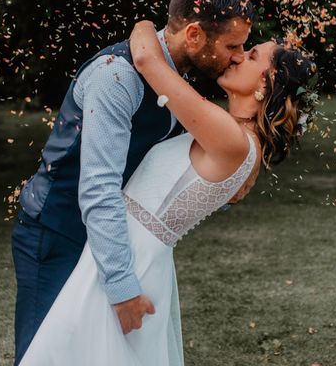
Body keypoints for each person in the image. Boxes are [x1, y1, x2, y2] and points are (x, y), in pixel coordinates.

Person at [18, 20, 318, 365]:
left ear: (268, 85)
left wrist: (147, 22)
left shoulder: (229, 136)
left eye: (250, 56)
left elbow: (146, 59)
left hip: (130, 259)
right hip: (125, 250)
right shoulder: (234, 136)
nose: (236, 59)